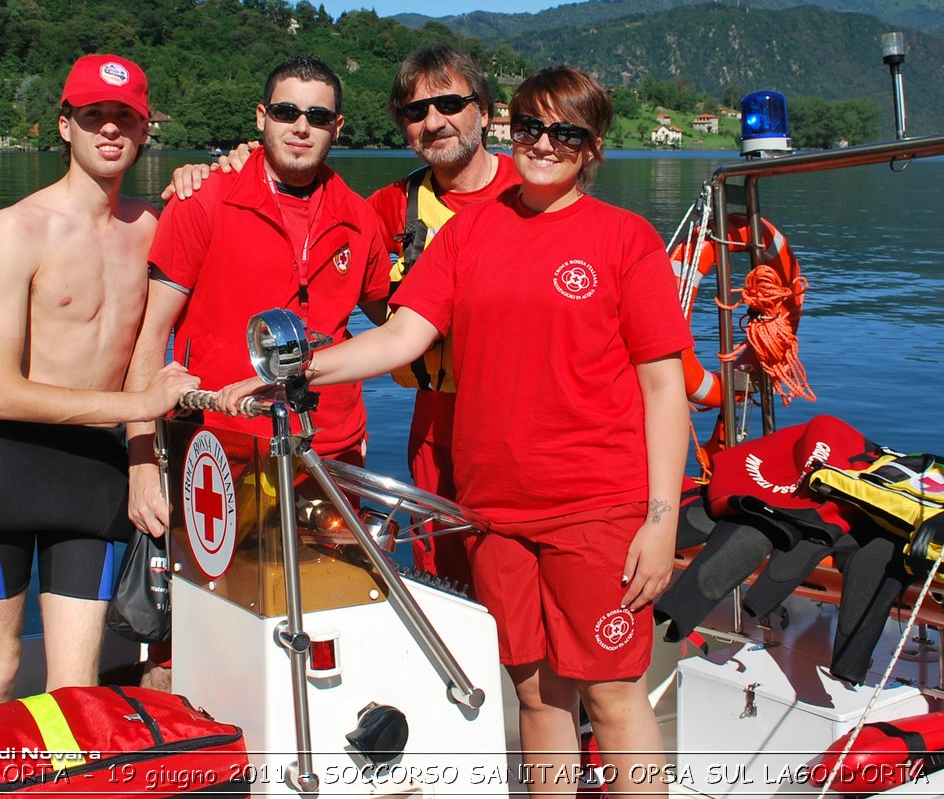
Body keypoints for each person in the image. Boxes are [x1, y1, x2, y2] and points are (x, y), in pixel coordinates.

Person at [218, 66, 693, 796]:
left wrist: (660, 522)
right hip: (494, 510)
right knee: (537, 696)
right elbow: (403, 336)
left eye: (565, 133)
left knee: (612, 695)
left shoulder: (624, 239)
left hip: (596, 507)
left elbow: (665, 389)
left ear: (592, 148)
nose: (543, 144)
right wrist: (298, 370)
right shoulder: (471, 230)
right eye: (531, 127)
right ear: (510, 127)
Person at [0, 54, 198, 710]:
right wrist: (139, 408)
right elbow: (0, 391)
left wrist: (207, 173)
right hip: (7, 465)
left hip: (91, 471)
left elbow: (242, 187)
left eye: (124, 117)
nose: (109, 129)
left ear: (144, 130)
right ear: (64, 125)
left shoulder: (155, 228)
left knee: (74, 684)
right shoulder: (18, 228)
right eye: (93, 115)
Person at [124, 53, 392, 540]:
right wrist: (141, 459)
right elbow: (150, 338)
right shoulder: (203, 201)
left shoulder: (359, 217)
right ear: (261, 117)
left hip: (330, 445)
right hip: (222, 447)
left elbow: (397, 320)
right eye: (287, 112)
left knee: (335, 596)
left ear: (338, 126)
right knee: (224, 603)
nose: (301, 127)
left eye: (318, 117)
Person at [364, 45, 520, 585]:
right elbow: (313, 233)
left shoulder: (536, 191)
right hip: (437, 426)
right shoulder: (390, 206)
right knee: (445, 581)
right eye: (415, 112)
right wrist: (231, 164)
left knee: (517, 577)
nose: (433, 123)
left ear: (486, 110)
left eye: (449, 103)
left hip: (525, 425)